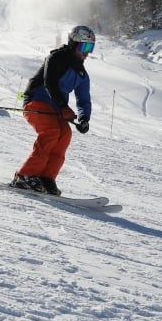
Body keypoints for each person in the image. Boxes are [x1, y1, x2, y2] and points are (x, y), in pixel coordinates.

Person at [11, 25, 95, 196]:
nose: (87, 53)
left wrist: (84, 118)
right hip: (36, 101)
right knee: (52, 131)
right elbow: (50, 82)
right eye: (84, 47)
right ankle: (25, 176)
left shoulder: (81, 74)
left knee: (65, 134)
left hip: (56, 109)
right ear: (73, 44)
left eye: (91, 48)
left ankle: (46, 177)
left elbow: (83, 98)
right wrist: (63, 106)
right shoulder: (57, 57)